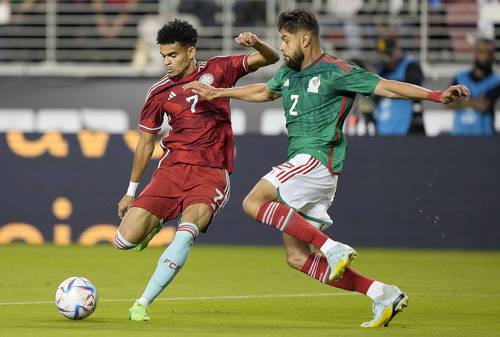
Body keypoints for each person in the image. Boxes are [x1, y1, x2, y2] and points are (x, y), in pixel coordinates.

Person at [184, 9, 469, 328]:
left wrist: (436, 95)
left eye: (285, 39)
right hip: (310, 168)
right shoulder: (289, 72)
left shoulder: (337, 71)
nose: (282, 46)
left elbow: (386, 86)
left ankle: (333, 247)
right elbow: (265, 91)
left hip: (316, 159)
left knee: (253, 202)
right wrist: (219, 92)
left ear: (305, 39)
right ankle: (382, 294)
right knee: (297, 258)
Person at [115, 19, 279, 321]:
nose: (166, 62)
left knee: (185, 233)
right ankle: (153, 225)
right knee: (124, 240)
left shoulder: (219, 69)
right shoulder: (158, 92)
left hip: (210, 172)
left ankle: (142, 302)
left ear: (190, 52)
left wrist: (255, 43)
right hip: (172, 169)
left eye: (172, 55)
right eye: (163, 55)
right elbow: (145, 143)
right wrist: (130, 192)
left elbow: (271, 58)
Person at [447, 38, 500, 136]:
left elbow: (484, 106)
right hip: (459, 135)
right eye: (481, 51)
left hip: (485, 137)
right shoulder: (460, 77)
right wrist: (476, 102)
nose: (485, 56)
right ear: (475, 53)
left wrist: (461, 100)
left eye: (489, 52)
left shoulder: (496, 81)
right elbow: (447, 103)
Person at [374, 35, 426, 135]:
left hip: (409, 126)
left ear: (398, 50)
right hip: (384, 126)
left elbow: (415, 88)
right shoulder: (381, 70)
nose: (387, 58)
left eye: (389, 54)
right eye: (383, 55)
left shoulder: (410, 66)